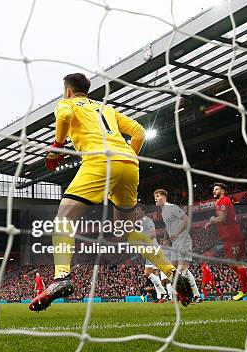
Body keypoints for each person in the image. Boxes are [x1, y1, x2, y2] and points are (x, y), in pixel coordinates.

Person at [29, 73, 182, 312]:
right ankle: (171, 272)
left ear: (68, 90)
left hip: (99, 162)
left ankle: (61, 277)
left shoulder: (66, 103)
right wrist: (128, 156)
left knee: (63, 220)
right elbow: (139, 132)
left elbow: (66, 116)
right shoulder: (105, 108)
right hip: (130, 164)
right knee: (128, 231)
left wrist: (57, 146)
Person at [205, 182, 247, 301]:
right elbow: (221, 219)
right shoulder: (218, 203)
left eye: (217, 189)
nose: (214, 191)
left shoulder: (225, 201)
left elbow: (222, 218)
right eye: (214, 189)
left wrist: (212, 220)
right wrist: (211, 222)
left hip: (233, 236)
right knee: (232, 264)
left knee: (237, 263)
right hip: (227, 237)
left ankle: (244, 291)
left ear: (223, 191)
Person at [155, 189, 201, 305]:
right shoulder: (163, 212)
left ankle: (187, 296)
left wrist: (177, 232)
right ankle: (194, 295)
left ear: (164, 197)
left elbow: (186, 219)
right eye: (154, 196)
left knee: (182, 269)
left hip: (183, 240)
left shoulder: (172, 207)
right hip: (175, 243)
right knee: (173, 270)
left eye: (158, 196)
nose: (155, 198)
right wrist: (166, 238)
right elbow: (167, 226)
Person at [135, 205, 167, 303]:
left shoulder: (147, 220)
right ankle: (161, 296)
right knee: (151, 273)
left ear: (143, 211)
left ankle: (164, 294)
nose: (136, 212)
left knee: (149, 273)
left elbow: (153, 234)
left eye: (138, 210)